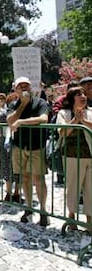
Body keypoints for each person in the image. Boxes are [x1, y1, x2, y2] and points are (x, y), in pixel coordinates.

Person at [7, 76, 50, 226]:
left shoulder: (40, 102)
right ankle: (29, 208)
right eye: (20, 86)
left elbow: (44, 118)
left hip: (36, 147)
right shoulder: (14, 104)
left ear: (31, 88)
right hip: (19, 147)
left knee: (38, 179)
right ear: (15, 89)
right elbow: (10, 121)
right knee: (24, 177)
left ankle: (43, 211)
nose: (24, 88)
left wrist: (22, 122)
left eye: (26, 85)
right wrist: (22, 106)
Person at [56, 86, 92, 231]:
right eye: (78, 94)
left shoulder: (90, 112)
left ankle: (90, 221)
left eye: (83, 93)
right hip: (72, 156)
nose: (83, 96)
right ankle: (71, 219)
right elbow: (63, 132)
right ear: (71, 98)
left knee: (90, 189)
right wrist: (75, 120)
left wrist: (82, 121)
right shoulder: (64, 113)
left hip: (90, 155)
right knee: (73, 187)